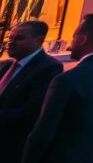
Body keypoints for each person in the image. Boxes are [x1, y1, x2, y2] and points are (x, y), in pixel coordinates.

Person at [23, 14, 93, 163]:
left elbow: (45, 129)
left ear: (83, 40)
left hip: (67, 153)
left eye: (74, 37)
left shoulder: (67, 79)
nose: (71, 42)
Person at [0, 21, 62, 162]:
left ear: (39, 40)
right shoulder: (7, 64)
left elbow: (32, 111)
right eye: (10, 38)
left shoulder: (49, 68)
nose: (11, 43)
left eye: (19, 38)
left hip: (14, 147)